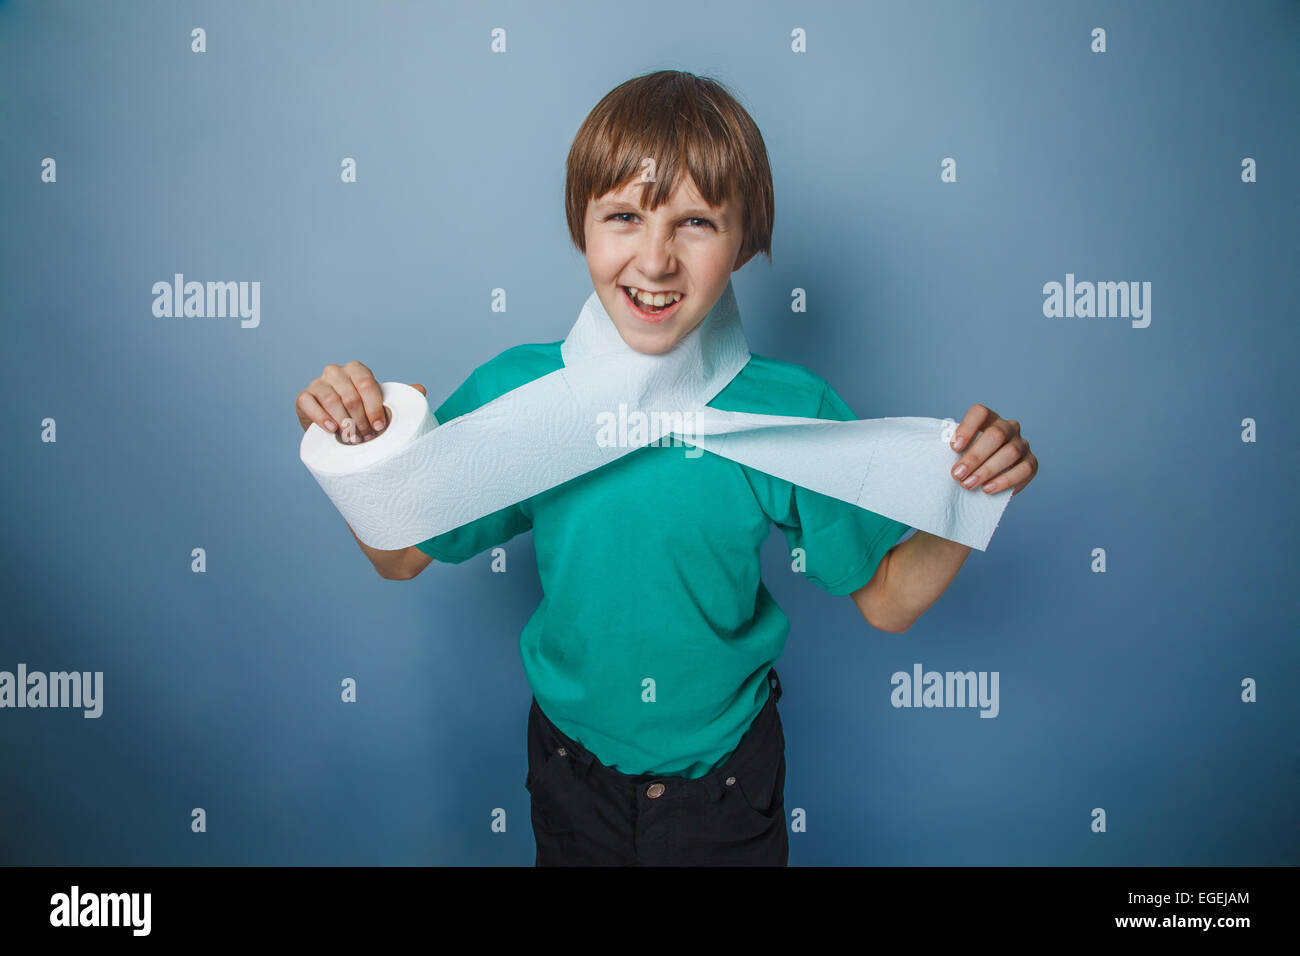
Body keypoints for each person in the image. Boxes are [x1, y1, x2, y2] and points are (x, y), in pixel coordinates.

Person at [294, 70, 1038, 866]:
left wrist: (970, 498)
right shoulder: (521, 395)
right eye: (623, 217)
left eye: (695, 223)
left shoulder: (789, 412)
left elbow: (888, 601)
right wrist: (354, 454)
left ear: (746, 240)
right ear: (580, 226)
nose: (655, 260)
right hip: (570, 775)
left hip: (723, 788)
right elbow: (399, 555)